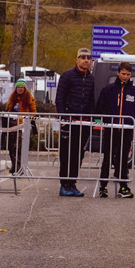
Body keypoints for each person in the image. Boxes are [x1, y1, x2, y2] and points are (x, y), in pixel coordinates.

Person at [95, 62, 135, 198]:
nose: (125, 77)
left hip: (126, 130)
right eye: (123, 74)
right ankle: (103, 187)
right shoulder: (108, 89)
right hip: (111, 130)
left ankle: (123, 187)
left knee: (123, 159)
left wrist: (132, 120)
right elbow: (100, 108)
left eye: (128, 74)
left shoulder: (134, 91)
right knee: (107, 158)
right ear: (118, 73)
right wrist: (107, 121)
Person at [54, 48, 95, 198]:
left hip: (83, 124)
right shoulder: (67, 76)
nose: (86, 60)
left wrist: (91, 118)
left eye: (88, 58)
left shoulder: (91, 79)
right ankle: (64, 184)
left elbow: (92, 101)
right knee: (66, 154)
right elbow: (59, 98)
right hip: (69, 122)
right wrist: (63, 118)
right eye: (83, 57)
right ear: (77, 59)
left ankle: (72, 183)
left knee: (78, 155)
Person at [2, 79, 37, 175]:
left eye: (22, 87)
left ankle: (19, 166)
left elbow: (34, 112)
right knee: (11, 147)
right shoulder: (12, 97)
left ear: (25, 88)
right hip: (12, 125)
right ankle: (14, 165)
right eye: (18, 87)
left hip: (23, 126)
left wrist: (27, 118)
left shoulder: (29, 98)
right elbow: (8, 108)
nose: (20, 89)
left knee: (18, 147)